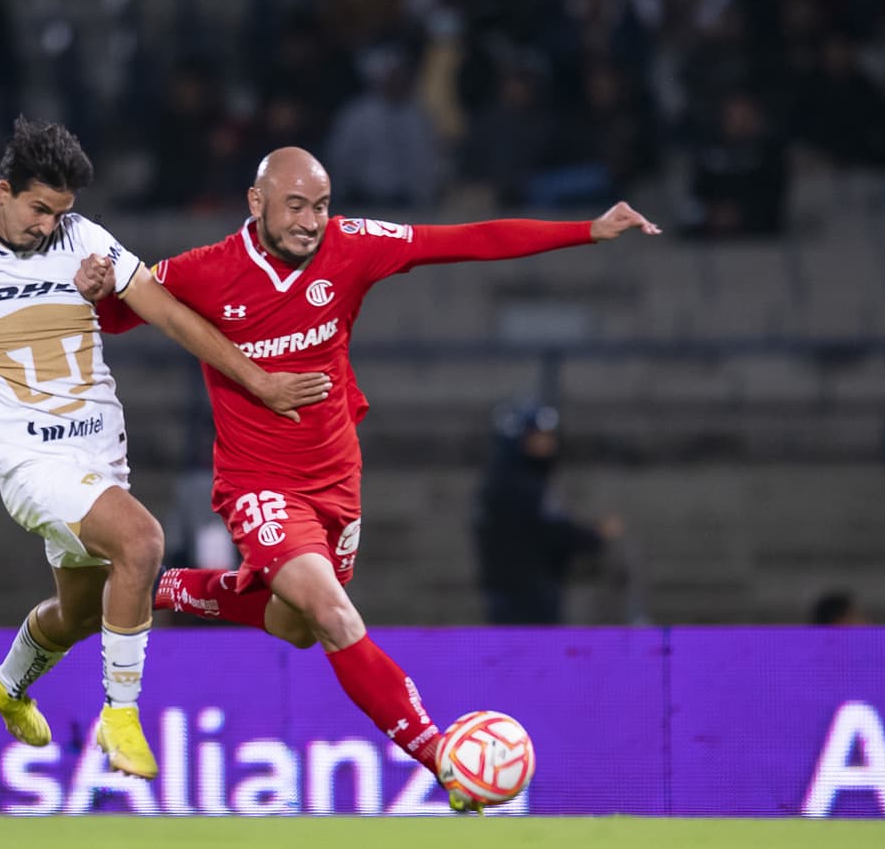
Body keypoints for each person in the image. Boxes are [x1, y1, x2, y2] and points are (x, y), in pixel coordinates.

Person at [75, 146, 659, 809]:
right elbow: (125, 314)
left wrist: (587, 228)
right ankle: (440, 757)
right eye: (294, 205)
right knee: (331, 612)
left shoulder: (353, 245)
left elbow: (468, 240)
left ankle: (170, 587)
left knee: (295, 623)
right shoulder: (205, 271)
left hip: (336, 481)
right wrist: (95, 292)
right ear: (256, 202)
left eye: (320, 205)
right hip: (257, 483)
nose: (309, 220)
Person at [0, 119, 330, 781]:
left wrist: (255, 378)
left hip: (100, 460)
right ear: (4, 190)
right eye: (39, 209)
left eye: (61, 212)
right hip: (31, 463)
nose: (49, 225)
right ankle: (122, 716)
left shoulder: (86, 242)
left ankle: (7, 685)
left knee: (78, 616)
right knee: (143, 542)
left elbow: (166, 312)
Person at [473, 400, 619, 625]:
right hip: (524, 599)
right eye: (538, 437)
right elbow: (551, 531)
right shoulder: (516, 485)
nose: (548, 444)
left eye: (548, 437)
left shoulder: (512, 481)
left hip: (523, 592)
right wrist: (594, 535)